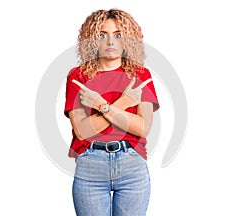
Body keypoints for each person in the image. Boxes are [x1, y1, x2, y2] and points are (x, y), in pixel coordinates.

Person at [64, 9, 160, 216]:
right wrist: (126, 102)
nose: (110, 41)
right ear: (92, 39)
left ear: (128, 38)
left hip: (131, 164)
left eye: (118, 34)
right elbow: (82, 131)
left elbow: (142, 128)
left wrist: (100, 104)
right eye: (102, 34)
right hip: (90, 164)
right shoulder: (78, 76)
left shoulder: (140, 74)